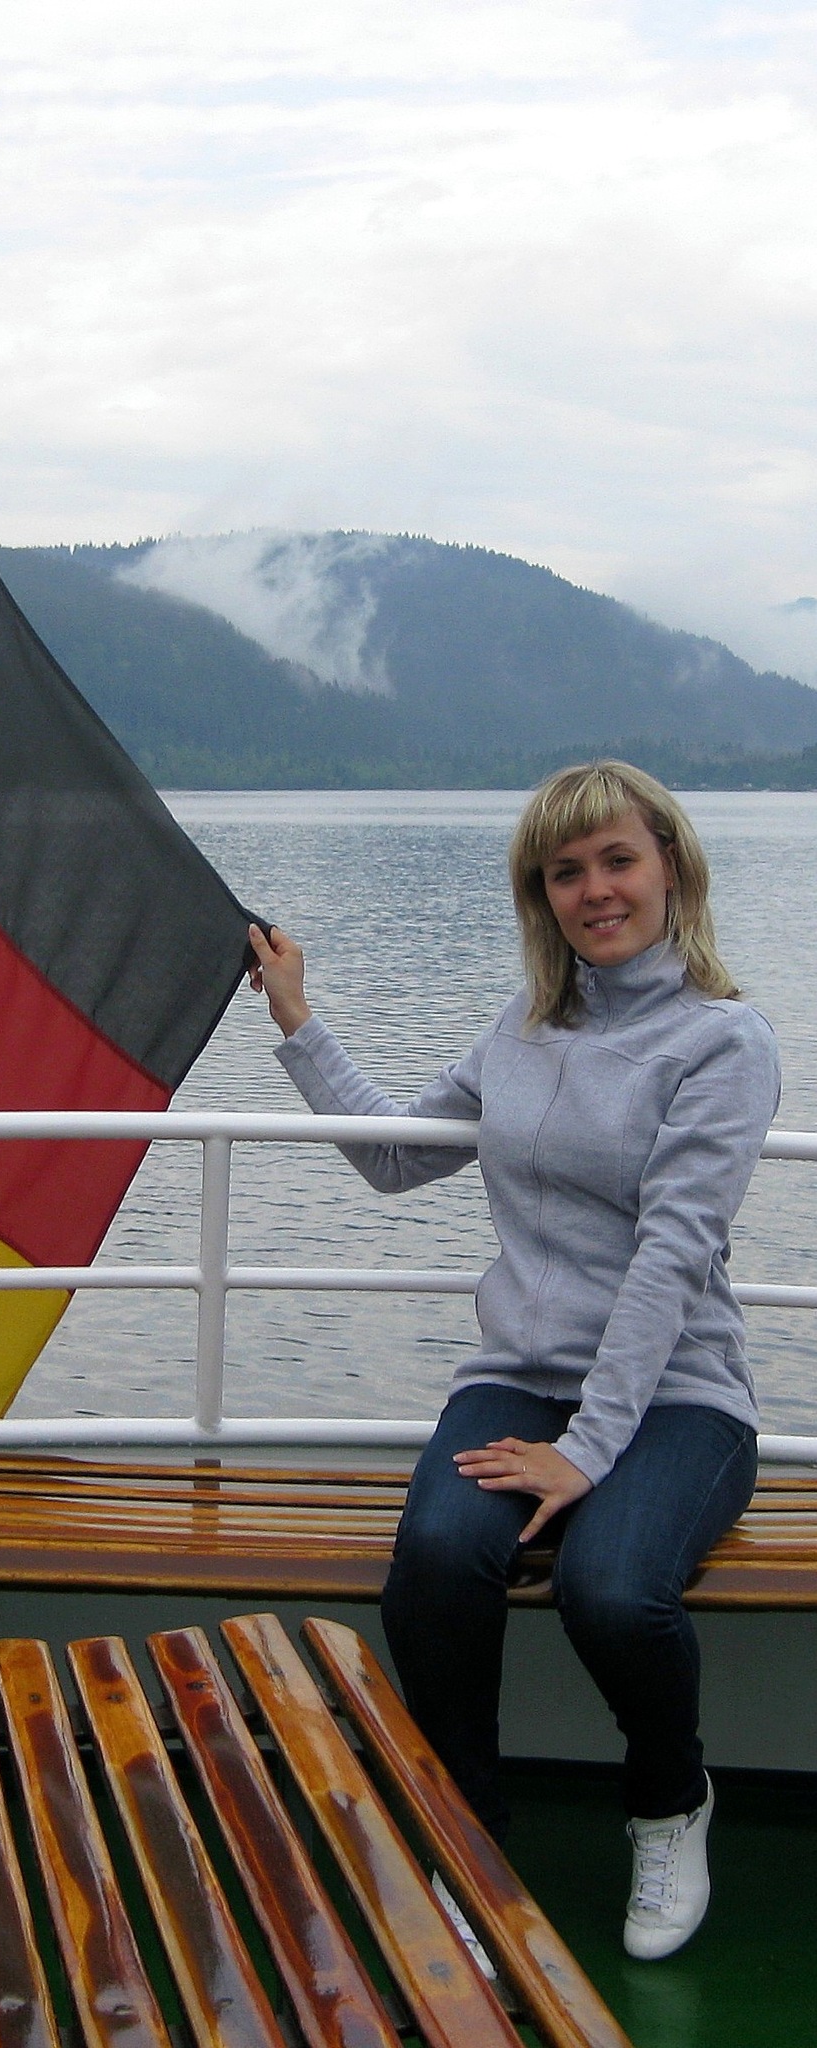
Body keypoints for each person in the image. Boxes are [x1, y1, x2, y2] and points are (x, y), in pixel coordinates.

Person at [247, 760, 780, 1962]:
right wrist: (296, 1017)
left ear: (669, 865)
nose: (595, 890)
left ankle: (668, 1800)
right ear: (541, 895)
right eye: (564, 871)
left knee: (610, 1588)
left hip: (676, 1395)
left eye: (616, 859)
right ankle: (466, 1841)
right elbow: (394, 1158)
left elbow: (669, 1257)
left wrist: (583, 1450)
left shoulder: (720, 1040)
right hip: (519, 1374)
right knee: (435, 1561)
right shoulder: (523, 1027)